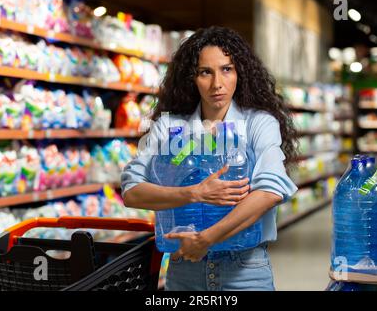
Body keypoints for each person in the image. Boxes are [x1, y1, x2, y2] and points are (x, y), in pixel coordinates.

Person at [121, 26, 298, 291]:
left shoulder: (258, 123)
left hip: (245, 272)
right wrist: (194, 193)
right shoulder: (168, 128)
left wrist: (207, 239)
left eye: (227, 69)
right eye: (206, 72)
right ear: (191, 77)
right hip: (184, 271)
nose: (217, 83)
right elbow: (132, 191)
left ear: (240, 72)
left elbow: (271, 189)